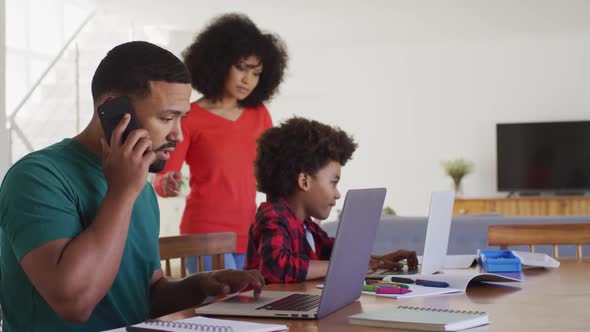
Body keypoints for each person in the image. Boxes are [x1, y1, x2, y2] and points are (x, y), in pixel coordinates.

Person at [0, 41, 264, 331]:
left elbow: (144, 296)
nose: (177, 134)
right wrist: (121, 193)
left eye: (181, 118)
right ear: (112, 109)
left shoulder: (140, 186)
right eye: (166, 118)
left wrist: (202, 285)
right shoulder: (37, 178)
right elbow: (74, 303)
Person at [152, 13, 288, 273]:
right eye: (241, 68)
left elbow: (276, 176)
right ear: (218, 62)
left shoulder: (260, 115)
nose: (247, 80)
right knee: (214, 311)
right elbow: (164, 174)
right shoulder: (190, 116)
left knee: (247, 313)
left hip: (251, 234)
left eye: (256, 73)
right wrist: (166, 182)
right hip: (204, 236)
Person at [245, 117, 418, 283]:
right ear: (304, 181)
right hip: (265, 310)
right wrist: (347, 266)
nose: (337, 194)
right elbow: (277, 267)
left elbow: (336, 253)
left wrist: (377, 260)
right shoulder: (272, 217)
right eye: (333, 183)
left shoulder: (307, 226)